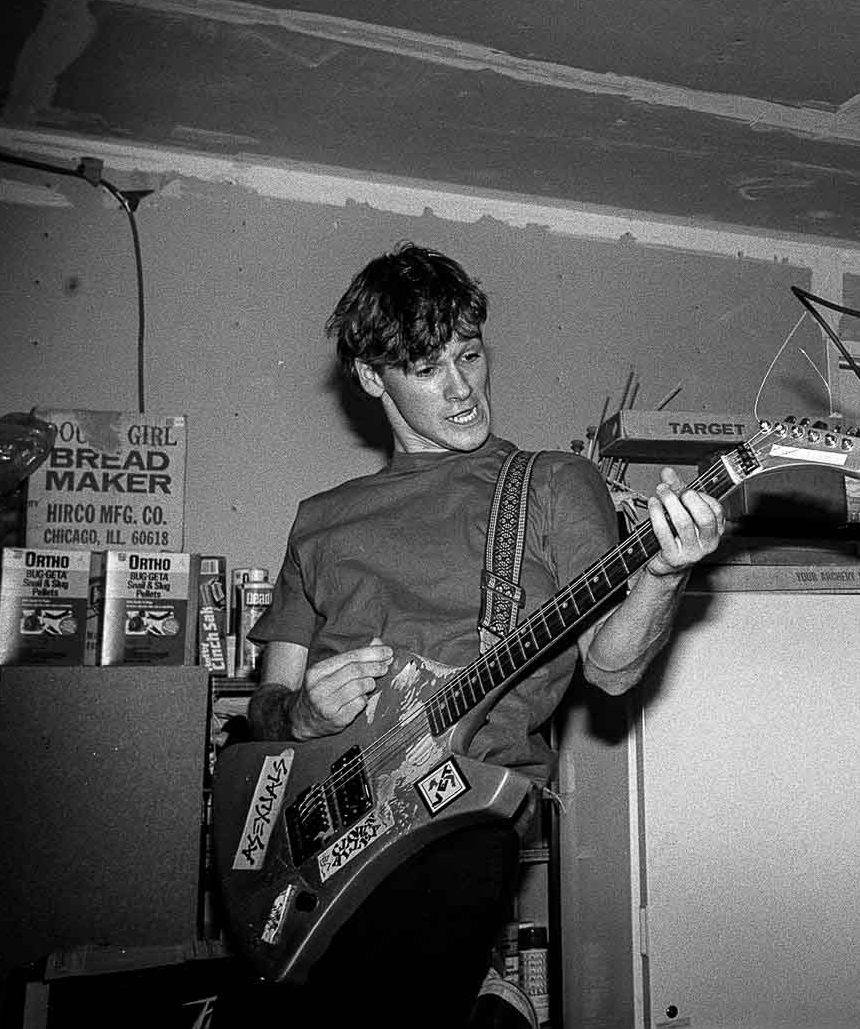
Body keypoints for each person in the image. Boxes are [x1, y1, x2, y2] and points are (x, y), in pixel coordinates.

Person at [238, 242, 726, 1027]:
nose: (462, 389)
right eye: (428, 369)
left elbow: (608, 670)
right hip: (315, 832)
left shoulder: (552, 483)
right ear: (372, 377)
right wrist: (301, 716)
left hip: (459, 810)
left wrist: (665, 574)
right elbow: (265, 708)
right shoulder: (319, 519)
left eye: (469, 355)